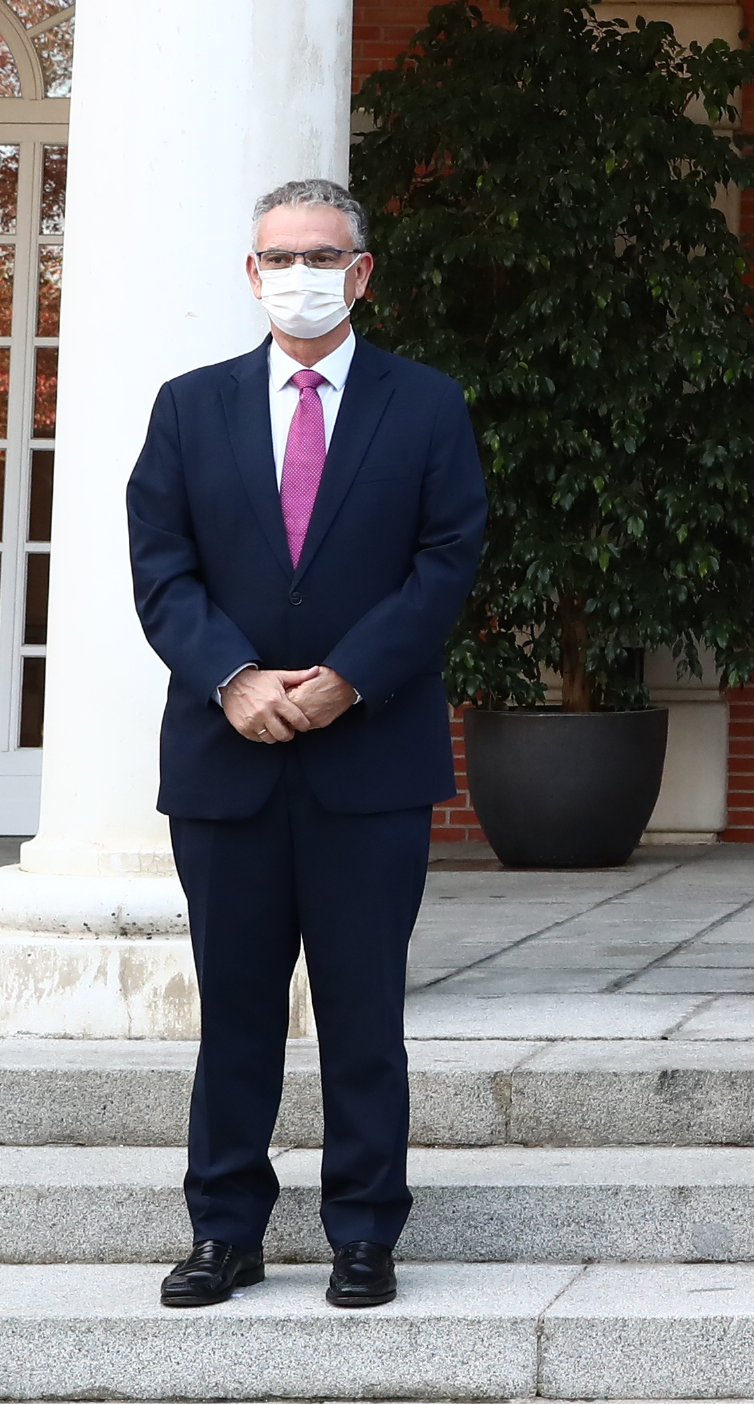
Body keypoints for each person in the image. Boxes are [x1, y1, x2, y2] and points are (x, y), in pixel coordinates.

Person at [132, 178, 486, 1312]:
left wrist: (349, 678)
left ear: (363, 270)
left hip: (368, 762)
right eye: (279, 256)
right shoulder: (188, 406)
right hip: (225, 756)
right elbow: (161, 567)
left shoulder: (426, 404)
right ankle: (224, 1229)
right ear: (250, 272)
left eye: (322, 254)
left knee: (363, 1009)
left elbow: (446, 560)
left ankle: (365, 1231)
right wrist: (232, 675)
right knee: (234, 1008)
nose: (300, 274)